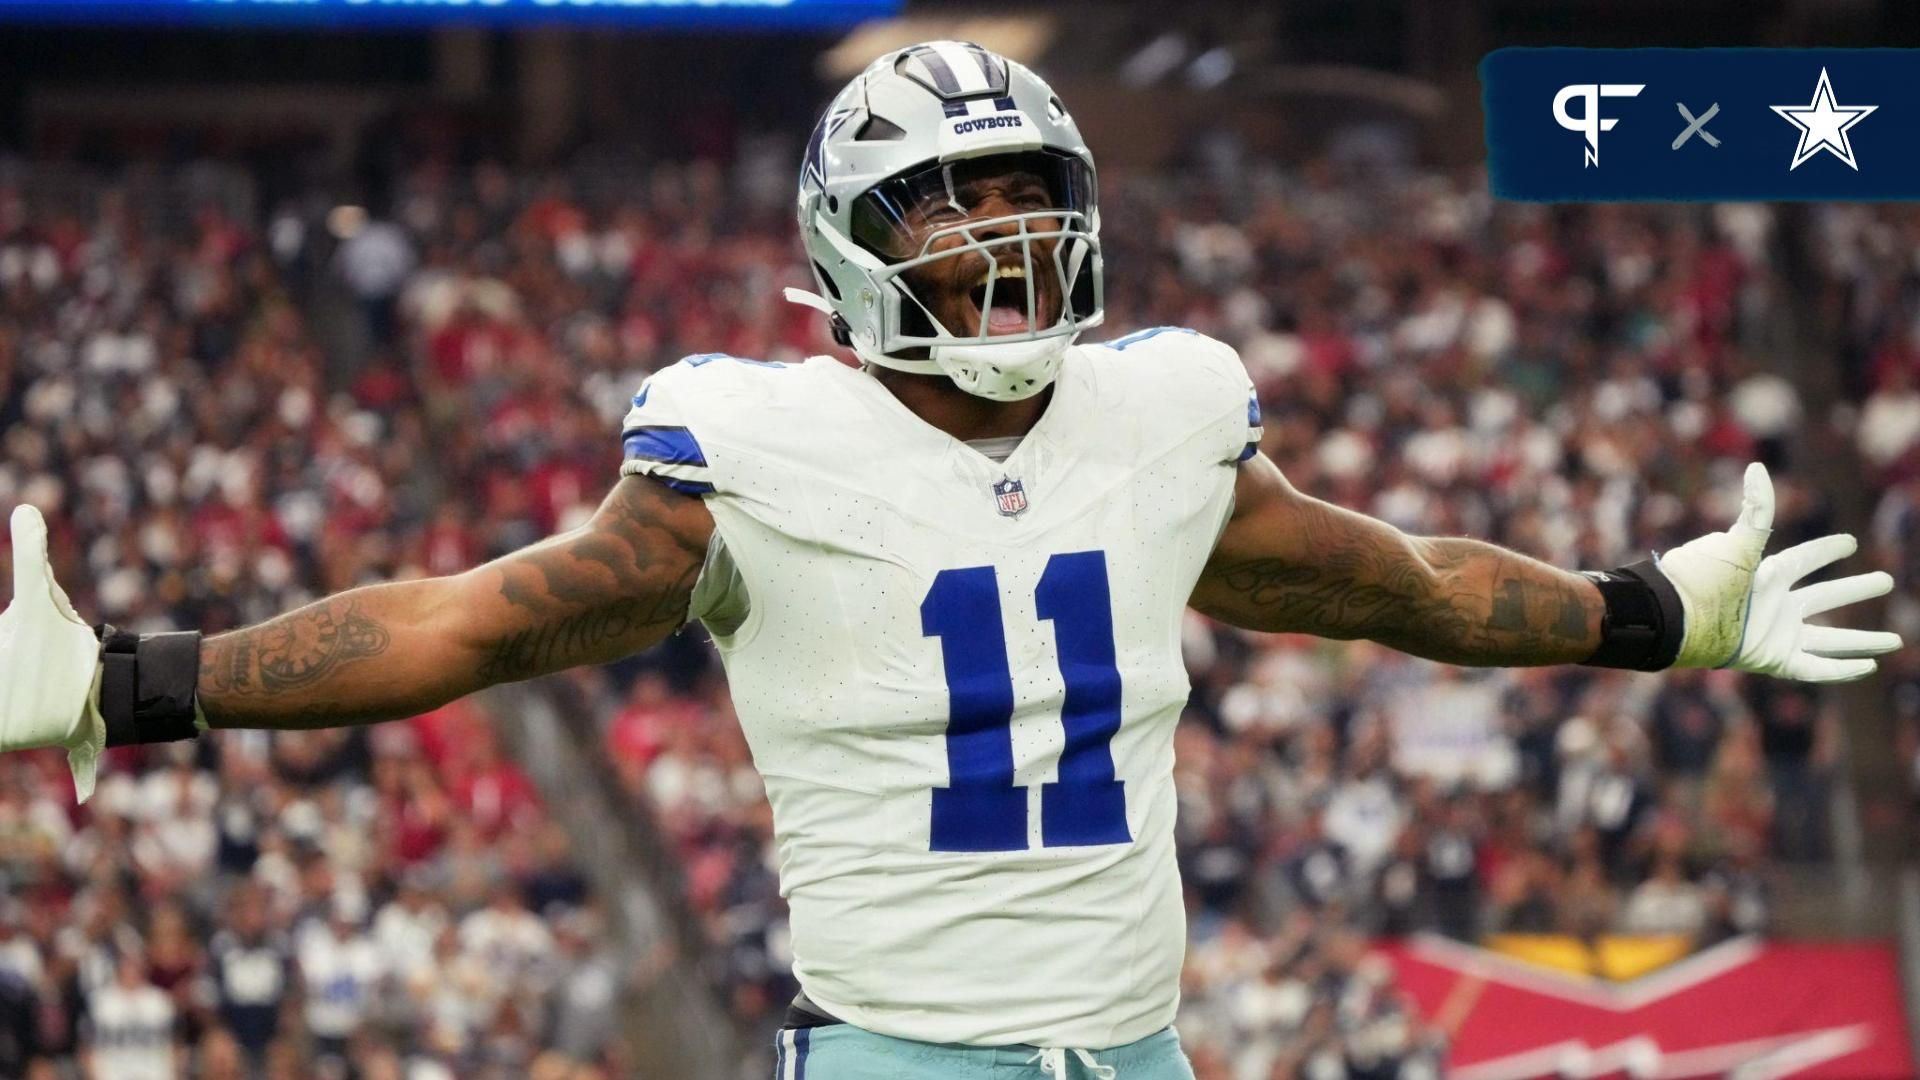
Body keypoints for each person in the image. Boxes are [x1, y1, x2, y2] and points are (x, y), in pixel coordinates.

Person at [0, 40, 1901, 1080]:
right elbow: (461, 625)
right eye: (948, 206)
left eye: (1025, 198)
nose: (999, 242)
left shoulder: (1164, 414)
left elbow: (1391, 581)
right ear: (845, 246)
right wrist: (132, 679)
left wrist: (1650, 615)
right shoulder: (745, 452)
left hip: (1139, 1055)